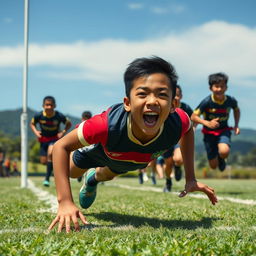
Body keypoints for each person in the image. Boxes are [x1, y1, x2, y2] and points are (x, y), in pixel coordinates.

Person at [48, 56, 217, 233]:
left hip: (129, 160)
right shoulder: (105, 125)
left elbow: (188, 129)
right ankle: (87, 173)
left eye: (162, 94)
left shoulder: (178, 121)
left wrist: (191, 179)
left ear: (174, 104)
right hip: (101, 149)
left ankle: (92, 179)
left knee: (107, 175)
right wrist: (65, 201)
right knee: (72, 171)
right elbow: (61, 146)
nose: (152, 101)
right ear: (127, 103)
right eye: (142, 94)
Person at [191, 72, 240, 172]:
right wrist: (207, 123)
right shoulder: (206, 102)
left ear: (226, 87)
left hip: (224, 130)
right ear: (211, 88)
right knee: (213, 166)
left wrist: (236, 125)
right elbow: (193, 116)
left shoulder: (231, 101)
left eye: (222, 86)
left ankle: (222, 158)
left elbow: (236, 110)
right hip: (208, 134)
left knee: (224, 151)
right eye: (216, 86)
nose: (219, 89)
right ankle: (217, 158)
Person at [30, 96, 72, 186]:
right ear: (43, 106)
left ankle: (47, 179)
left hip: (54, 139)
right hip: (43, 140)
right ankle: (52, 169)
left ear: (55, 106)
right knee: (43, 161)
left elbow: (69, 123)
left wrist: (63, 132)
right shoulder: (39, 115)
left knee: (50, 153)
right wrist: (36, 132)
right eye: (47, 105)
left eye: (51, 105)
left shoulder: (59, 116)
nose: (49, 107)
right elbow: (32, 123)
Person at [163, 85, 194, 192]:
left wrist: (192, 130)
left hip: (179, 138)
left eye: (177, 95)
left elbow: (193, 119)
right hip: (166, 139)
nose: (175, 97)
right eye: (173, 95)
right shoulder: (164, 106)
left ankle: (177, 167)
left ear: (181, 96)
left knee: (178, 159)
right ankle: (168, 182)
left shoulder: (186, 108)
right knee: (168, 164)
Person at [77, 111, 92, 182]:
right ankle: (79, 174)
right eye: (84, 119)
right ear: (82, 119)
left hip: (89, 147)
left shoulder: (93, 127)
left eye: (88, 119)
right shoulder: (78, 127)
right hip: (81, 147)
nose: (86, 121)